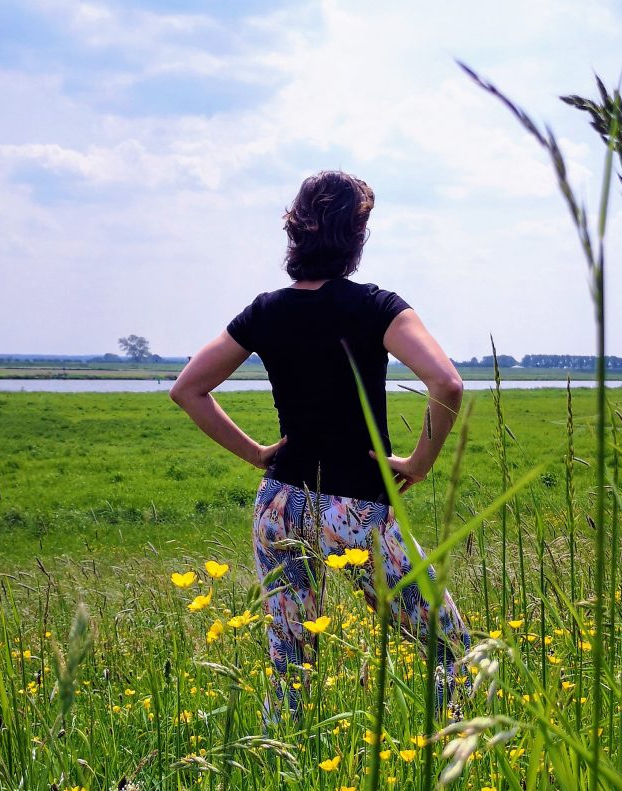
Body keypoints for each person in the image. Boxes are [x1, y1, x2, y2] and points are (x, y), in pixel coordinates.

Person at [170, 170, 470, 719]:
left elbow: (188, 389)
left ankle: (277, 766)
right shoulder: (376, 307)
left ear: (296, 234)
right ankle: (461, 754)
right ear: (356, 237)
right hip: (357, 508)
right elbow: (447, 383)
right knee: (450, 651)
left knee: (291, 668)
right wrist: (420, 463)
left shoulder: (266, 310)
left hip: (281, 505)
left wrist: (259, 454)